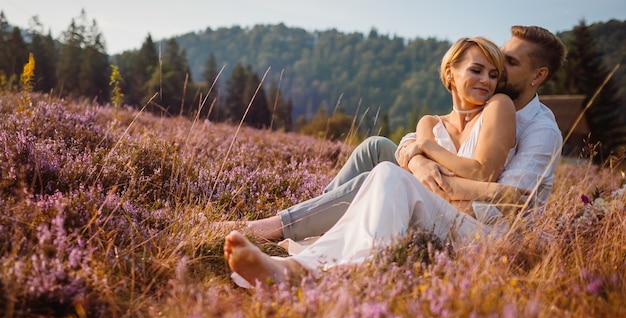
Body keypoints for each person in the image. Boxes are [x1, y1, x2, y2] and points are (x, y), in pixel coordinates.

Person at [225, 25, 566, 245]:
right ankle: (316, 225)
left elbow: (506, 204)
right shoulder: (489, 101)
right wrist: (417, 158)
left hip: (473, 221)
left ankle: (284, 228)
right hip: (446, 190)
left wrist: (426, 178)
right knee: (375, 149)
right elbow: (419, 139)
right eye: (489, 66)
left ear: (538, 75)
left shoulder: (541, 131)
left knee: (380, 179)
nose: (497, 72)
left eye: (507, 64)